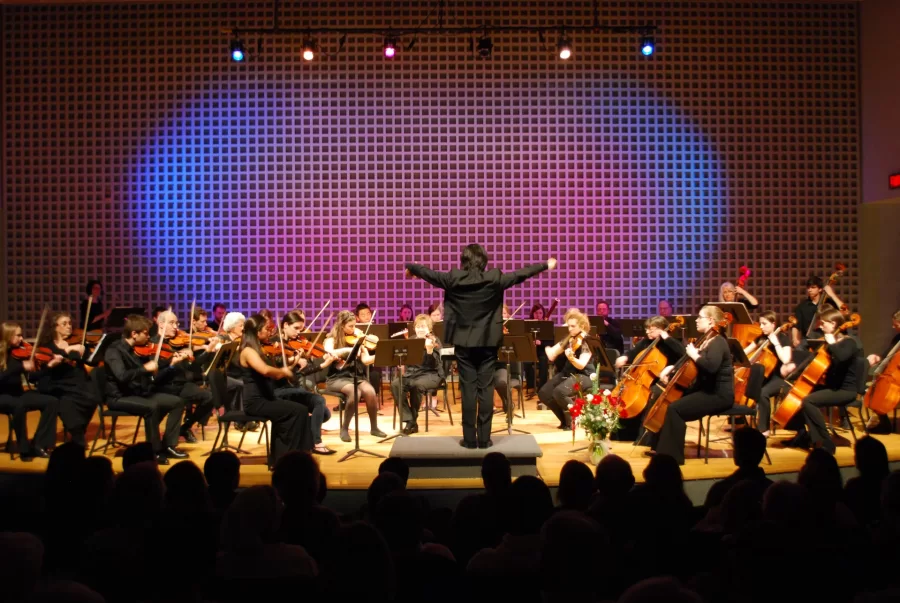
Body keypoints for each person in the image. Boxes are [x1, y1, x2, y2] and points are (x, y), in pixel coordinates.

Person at [406, 244, 555, 448]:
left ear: (463, 260)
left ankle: (469, 439)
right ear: (484, 261)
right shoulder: (494, 278)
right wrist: (545, 265)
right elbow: (521, 274)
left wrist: (412, 267)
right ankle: (484, 439)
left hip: (463, 344)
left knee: (468, 390)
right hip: (488, 344)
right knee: (485, 390)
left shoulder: (454, 278)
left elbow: (429, 274)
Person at [650, 305, 734, 465]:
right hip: (705, 390)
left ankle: (672, 458)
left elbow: (711, 367)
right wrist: (672, 369)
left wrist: (695, 355)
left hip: (718, 395)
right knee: (669, 402)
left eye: (700, 317)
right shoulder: (706, 341)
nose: (696, 320)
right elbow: (691, 366)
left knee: (675, 409)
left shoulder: (718, 342)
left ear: (710, 321)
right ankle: (659, 449)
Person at [103, 315, 188, 465]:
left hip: (137, 393)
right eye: (146, 333)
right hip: (118, 397)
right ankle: (154, 451)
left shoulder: (136, 349)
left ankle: (169, 445)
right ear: (134, 334)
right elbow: (122, 376)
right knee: (151, 407)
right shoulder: (114, 351)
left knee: (177, 402)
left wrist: (170, 362)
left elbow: (152, 367)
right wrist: (144, 368)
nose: (149, 337)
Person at [782, 308, 862, 454]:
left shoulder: (849, 342)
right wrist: (794, 374)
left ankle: (826, 441)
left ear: (833, 324)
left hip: (845, 390)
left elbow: (841, 358)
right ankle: (804, 435)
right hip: (831, 386)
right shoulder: (829, 342)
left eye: (824, 323)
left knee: (809, 401)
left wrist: (832, 343)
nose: (820, 326)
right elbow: (812, 361)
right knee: (794, 394)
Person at [236, 315, 311, 462]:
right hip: (256, 402)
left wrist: (290, 365)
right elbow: (265, 370)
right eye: (266, 329)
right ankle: (289, 458)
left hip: (266, 398)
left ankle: (292, 456)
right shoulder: (248, 351)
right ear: (257, 331)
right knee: (297, 411)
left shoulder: (259, 349)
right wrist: (283, 371)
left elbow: (275, 373)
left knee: (301, 410)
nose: (269, 332)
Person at [613, 316, 686, 444]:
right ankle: (623, 435)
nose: (647, 332)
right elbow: (633, 352)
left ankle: (644, 438)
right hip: (641, 380)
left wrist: (666, 338)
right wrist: (625, 357)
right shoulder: (646, 342)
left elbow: (683, 354)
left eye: (651, 330)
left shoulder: (670, 343)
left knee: (651, 396)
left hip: (662, 380)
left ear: (661, 329)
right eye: (646, 329)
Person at [274, 311, 337, 455]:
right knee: (319, 401)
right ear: (285, 325)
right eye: (296, 328)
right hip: (279, 390)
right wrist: (295, 360)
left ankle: (302, 435)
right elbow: (279, 368)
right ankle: (316, 442)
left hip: (293, 388)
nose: (299, 333)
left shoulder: (294, 346)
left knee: (325, 414)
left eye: (300, 329)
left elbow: (301, 373)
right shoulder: (275, 343)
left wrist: (323, 365)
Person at [33, 312, 99, 447]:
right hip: (58, 384)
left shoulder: (77, 343)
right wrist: (67, 350)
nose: (69, 326)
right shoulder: (48, 347)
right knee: (66, 402)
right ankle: (77, 434)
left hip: (79, 383)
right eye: (64, 324)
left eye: (70, 323)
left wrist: (88, 351)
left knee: (92, 397)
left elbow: (92, 362)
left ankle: (79, 430)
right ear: (55, 327)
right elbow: (45, 368)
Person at [0, 322, 59, 460]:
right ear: (7, 336)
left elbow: (33, 377)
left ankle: (39, 444)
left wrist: (49, 366)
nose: (22, 339)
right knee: (18, 406)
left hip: (18, 393)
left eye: (21, 335)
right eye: (18, 335)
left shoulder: (20, 352)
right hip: (2, 396)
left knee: (52, 402)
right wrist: (20, 367)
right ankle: (24, 449)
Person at [324, 310, 386, 441]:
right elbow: (328, 352)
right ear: (342, 326)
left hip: (355, 375)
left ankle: (374, 428)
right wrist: (347, 350)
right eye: (350, 326)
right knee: (355, 392)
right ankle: (344, 429)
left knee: (370, 392)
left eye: (354, 325)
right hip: (337, 377)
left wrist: (381, 355)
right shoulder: (331, 339)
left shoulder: (358, 339)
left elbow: (366, 360)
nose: (354, 329)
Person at [539, 309, 595, 430]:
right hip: (569, 373)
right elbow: (552, 355)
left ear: (582, 326)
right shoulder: (570, 339)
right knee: (544, 393)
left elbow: (581, 365)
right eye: (568, 326)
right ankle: (565, 420)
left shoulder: (586, 341)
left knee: (559, 392)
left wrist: (571, 358)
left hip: (585, 375)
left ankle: (575, 418)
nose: (569, 329)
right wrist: (548, 348)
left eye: (572, 326)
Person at [390, 314, 444, 435]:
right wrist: (401, 362)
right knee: (396, 384)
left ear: (429, 328)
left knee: (416, 385)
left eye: (423, 327)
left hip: (431, 374)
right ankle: (410, 420)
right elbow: (406, 360)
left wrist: (429, 351)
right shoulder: (411, 340)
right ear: (414, 328)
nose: (420, 329)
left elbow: (435, 365)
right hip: (412, 374)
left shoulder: (435, 341)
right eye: (418, 327)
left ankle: (411, 423)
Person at [741, 311, 792, 436]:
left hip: (778, 378)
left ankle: (764, 429)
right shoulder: (761, 338)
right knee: (746, 388)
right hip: (764, 376)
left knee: (762, 393)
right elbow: (745, 353)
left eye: (764, 324)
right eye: (760, 324)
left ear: (773, 324)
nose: (761, 327)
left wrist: (776, 343)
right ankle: (740, 420)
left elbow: (786, 359)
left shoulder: (783, 339)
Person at [864, 308, 900, 433]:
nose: (893, 327)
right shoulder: (897, 338)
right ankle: (885, 424)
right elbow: (888, 355)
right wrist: (878, 358)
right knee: (877, 392)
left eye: (896, 325)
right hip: (894, 377)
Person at [790, 276, 844, 349]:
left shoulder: (829, 303)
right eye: (808, 288)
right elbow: (796, 325)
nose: (809, 290)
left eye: (813, 287)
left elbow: (845, 311)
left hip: (828, 337)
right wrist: (794, 338)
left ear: (820, 289)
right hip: (808, 340)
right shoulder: (802, 306)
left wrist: (831, 294)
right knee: (799, 349)